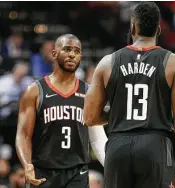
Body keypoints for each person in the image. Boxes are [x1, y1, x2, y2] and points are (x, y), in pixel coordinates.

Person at [84, 2, 175, 188]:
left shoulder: (107, 62)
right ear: (159, 29)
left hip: (117, 146)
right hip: (155, 145)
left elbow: (89, 117)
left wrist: (119, 113)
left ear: (132, 27)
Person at [16, 34, 107, 188]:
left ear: (81, 57)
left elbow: (97, 137)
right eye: (67, 49)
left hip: (77, 173)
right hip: (43, 172)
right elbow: (23, 134)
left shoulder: (89, 93)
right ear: (54, 54)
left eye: (77, 51)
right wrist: (27, 165)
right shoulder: (35, 91)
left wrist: (111, 166)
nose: (72, 54)